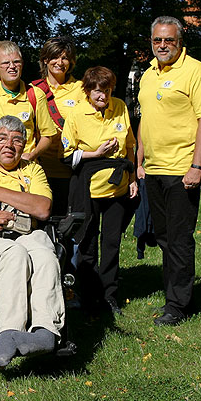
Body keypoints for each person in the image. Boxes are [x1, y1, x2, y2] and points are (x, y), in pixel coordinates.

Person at [0, 115, 62, 367]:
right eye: (3, 138)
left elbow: (42, 208)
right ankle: (9, 333)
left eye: (17, 140)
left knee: (45, 256)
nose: (9, 145)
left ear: (24, 146)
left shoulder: (32, 170)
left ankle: (45, 332)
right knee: (14, 253)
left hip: (29, 232)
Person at [136, 16, 201, 326]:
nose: (163, 45)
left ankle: (178, 305)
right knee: (165, 237)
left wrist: (196, 166)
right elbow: (146, 119)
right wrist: (140, 160)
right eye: (158, 40)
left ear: (179, 41)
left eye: (169, 40)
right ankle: (173, 294)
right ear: (151, 42)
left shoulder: (196, 71)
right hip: (154, 170)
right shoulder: (148, 75)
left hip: (182, 170)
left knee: (180, 238)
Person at [62, 66, 138, 315]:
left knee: (112, 243)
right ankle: (88, 294)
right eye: (96, 91)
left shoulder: (120, 107)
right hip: (89, 188)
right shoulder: (76, 114)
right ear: (87, 91)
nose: (102, 96)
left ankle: (110, 295)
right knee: (87, 243)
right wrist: (95, 153)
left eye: (106, 91)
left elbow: (129, 146)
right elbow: (66, 155)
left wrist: (134, 176)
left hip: (118, 187)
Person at [0, 41, 57, 162]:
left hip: (26, 168)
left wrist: (32, 155)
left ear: (22, 64)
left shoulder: (35, 94)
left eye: (16, 62)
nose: (12, 66)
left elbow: (48, 135)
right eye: (5, 63)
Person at [31, 37, 84, 215]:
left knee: (68, 224)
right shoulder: (33, 90)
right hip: (40, 168)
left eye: (65, 58)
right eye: (55, 57)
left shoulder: (82, 89)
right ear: (45, 59)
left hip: (71, 169)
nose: (60, 63)